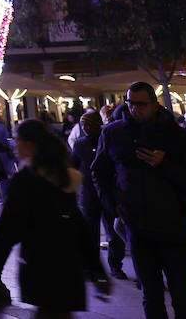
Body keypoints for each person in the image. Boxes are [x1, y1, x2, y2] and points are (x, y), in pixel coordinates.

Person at [92, 81, 186, 319]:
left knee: (181, 294)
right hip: (138, 228)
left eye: (141, 105)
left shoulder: (178, 136)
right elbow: (99, 172)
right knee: (150, 293)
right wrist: (113, 205)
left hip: (174, 227)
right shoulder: (114, 133)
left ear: (155, 105)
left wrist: (164, 164)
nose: (135, 110)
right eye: (130, 104)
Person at [0, 118, 109, 317]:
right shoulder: (64, 176)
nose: (15, 146)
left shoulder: (25, 180)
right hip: (68, 266)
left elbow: (7, 230)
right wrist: (97, 271)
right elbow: (79, 228)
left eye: (17, 140)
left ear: (29, 144)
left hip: (40, 265)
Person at [68, 109, 126, 281]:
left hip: (107, 192)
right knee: (90, 233)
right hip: (89, 194)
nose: (85, 127)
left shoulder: (107, 138)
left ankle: (115, 265)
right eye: (83, 124)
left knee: (113, 232)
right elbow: (74, 166)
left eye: (88, 123)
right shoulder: (79, 144)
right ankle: (91, 266)